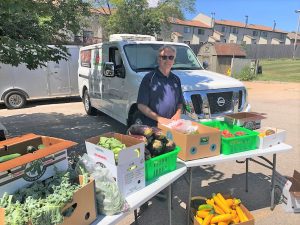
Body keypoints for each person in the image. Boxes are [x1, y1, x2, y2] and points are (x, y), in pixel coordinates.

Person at [137, 45, 184, 126]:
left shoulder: (176, 79)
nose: (167, 60)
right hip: (152, 126)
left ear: (174, 60)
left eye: (171, 57)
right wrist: (159, 119)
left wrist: (178, 114)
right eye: (164, 57)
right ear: (159, 59)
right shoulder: (149, 78)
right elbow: (141, 105)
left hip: (171, 125)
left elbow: (180, 103)